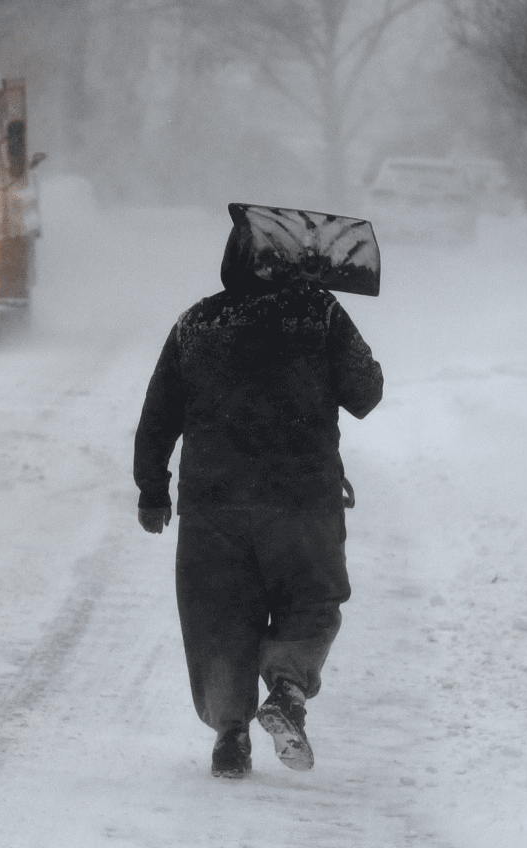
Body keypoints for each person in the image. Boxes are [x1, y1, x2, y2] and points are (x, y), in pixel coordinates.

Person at [133, 210, 383, 779]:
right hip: (302, 503)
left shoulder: (197, 324)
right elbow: (366, 392)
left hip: (213, 508)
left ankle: (230, 733)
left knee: (218, 617)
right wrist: (320, 318)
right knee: (311, 603)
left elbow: (158, 414)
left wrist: (153, 488)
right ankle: (288, 690)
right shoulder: (317, 314)